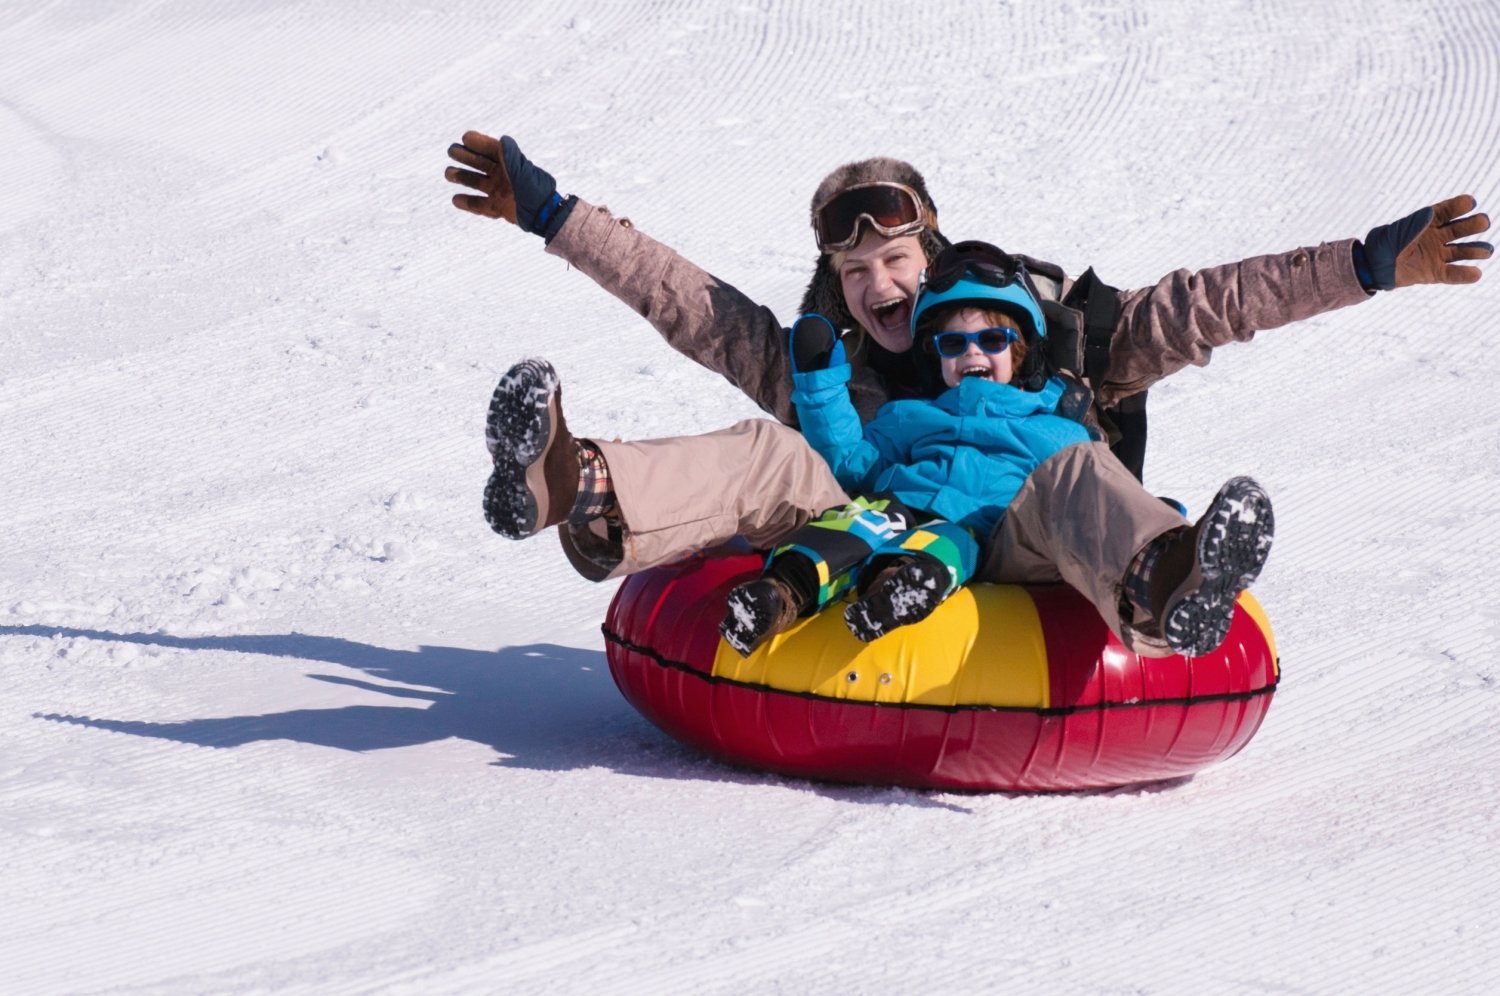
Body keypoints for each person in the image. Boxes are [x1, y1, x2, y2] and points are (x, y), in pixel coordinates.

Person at [445, 132, 1490, 591]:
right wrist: (553, 214)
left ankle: (1170, 575)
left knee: (1081, 470)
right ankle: (574, 484)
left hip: (1027, 539)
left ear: (930, 254)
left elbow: (1213, 304)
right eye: (852, 270)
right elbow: (691, 305)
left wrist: (1364, 265)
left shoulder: (1046, 340)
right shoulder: (833, 370)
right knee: (772, 451)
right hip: (865, 543)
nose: (876, 286)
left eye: (893, 257)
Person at [718, 242, 1272, 659]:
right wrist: (821, 385)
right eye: (953, 344)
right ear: (935, 356)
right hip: (918, 528)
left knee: (1078, 466)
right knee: (869, 517)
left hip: (1010, 538)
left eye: (992, 339)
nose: (972, 353)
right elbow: (851, 464)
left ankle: (1169, 571)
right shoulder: (911, 417)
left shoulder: (1055, 425)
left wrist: (1160, 515)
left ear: (1021, 349)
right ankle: (787, 597)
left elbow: (1097, 495)